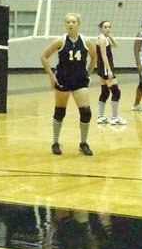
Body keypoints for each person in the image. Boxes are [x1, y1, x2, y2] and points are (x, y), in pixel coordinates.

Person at [40, 13, 97, 156]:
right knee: (60, 112)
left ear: (79, 24)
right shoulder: (60, 41)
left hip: (79, 80)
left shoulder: (86, 41)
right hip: (63, 79)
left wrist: (89, 73)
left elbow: (94, 56)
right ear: (65, 25)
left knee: (86, 112)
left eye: (73, 22)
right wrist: (52, 76)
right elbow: (44, 56)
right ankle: (55, 142)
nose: (70, 24)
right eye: (68, 22)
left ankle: (83, 143)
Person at [95, 20, 126, 125]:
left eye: (109, 27)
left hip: (102, 68)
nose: (107, 29)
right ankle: (114, 117)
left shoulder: (104, 38)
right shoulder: (102, 39)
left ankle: (101, 117)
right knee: (116, 92)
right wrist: (109, 70)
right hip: (105, 68)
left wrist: (109, 35)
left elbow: (116, 45)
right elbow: (104, 55)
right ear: (100, 28)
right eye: (105, 27)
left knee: (105, 92)